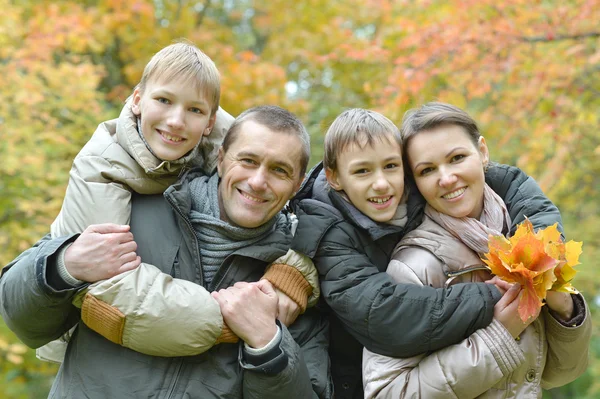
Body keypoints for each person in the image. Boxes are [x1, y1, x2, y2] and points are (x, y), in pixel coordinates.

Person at [0, 106, 332, 398]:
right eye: (248, 160)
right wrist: (62, 266)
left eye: (279, 170)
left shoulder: (290, 290)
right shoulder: (128, 210)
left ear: (298, 183)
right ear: (220, 158)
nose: (258, 181)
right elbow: (23, 320)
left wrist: (269, 345)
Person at [38, 42, 319, 363]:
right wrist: (242, 322)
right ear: (137, 100)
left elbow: (298, 202)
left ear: (211, 122)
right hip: (80, 340)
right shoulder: (99, 167)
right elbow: (109, 288)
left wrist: (296, 269)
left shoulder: (214, 144)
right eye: (163, 100)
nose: (176, 121)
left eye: (195, 110)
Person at [289, 108, 565, 398]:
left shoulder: (427, 200)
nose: (381, 182)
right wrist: (493, 298)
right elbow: (381, 313)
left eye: (391, 166)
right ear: (334, 178)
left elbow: (511, 184)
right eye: (362, 171)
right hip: (342, 382)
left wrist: (545, 256)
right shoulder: (329, 234)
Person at [362, 102, 591, 398]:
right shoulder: (414, 265)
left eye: (457, 158)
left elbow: (559, 374)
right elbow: (386, 392)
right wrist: (499, 336)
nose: (446, 178)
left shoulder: (526, 235)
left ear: (482, 152)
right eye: (427, 169)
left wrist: (565, 309)